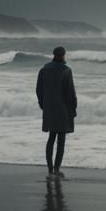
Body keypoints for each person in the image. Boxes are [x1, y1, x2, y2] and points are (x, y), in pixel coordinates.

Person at [36, 46, 77, 178]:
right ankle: (57, 169)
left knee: (51, 138)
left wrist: (43, 105)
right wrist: (73, 109)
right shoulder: (66, 71)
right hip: (63, 110)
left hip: (49, 109)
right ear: (63, 55)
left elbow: (38, 90)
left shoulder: (44, 69)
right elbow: (70, 93)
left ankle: (50, 169)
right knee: (61, 140)